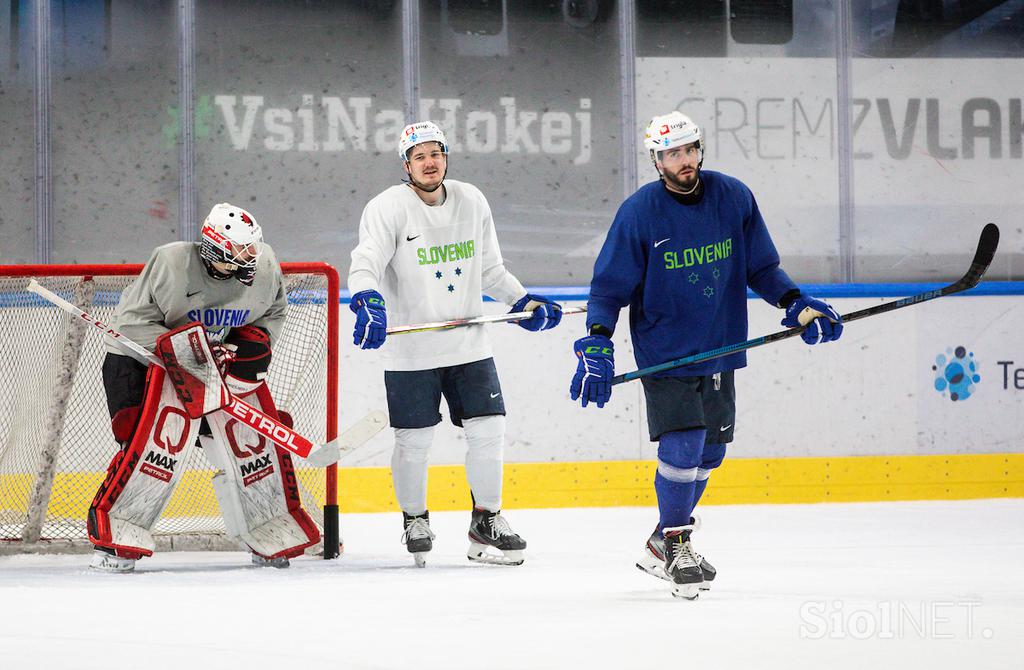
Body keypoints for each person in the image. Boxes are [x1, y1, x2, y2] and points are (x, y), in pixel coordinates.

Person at [569, 111, 843, 599]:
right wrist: (596, 339)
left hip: (721, 346)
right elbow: (609, 289)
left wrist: (795, 303)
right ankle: (676, 541)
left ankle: (661, 539)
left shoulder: (733, 196)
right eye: (673, 154)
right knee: (684, 442)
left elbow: (762, 266)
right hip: (666, 351)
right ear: (657, 161)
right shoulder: (640, 213)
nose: (685, 160)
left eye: (690, 149)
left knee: (711, 454)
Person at [348, 120, 563, 567]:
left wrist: (521, 300)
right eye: (419, 155)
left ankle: (486, 518)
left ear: (446, 156)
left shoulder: (472, 199)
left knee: (489, 429)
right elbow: (366, 260)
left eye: (436, 153)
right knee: (414, 440)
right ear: (406, 164)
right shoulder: (387, 207)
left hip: (469, 344)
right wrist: (366, 297)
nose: (429, 162)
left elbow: (489, 269)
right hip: (411, 350)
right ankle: (415, 518)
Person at [88, 203, 320, 572]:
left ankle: (260, 530)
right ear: (216, 246)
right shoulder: (171, 263)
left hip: (210, 368)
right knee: (146, 446)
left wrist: (254, 341)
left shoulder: (264, 265)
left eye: (254, 247)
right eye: (243, 249)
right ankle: (116, 542)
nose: (253, 256)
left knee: (240, 449)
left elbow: (273, 313)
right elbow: (130, 326)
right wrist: (186, 347)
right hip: (142, 361)